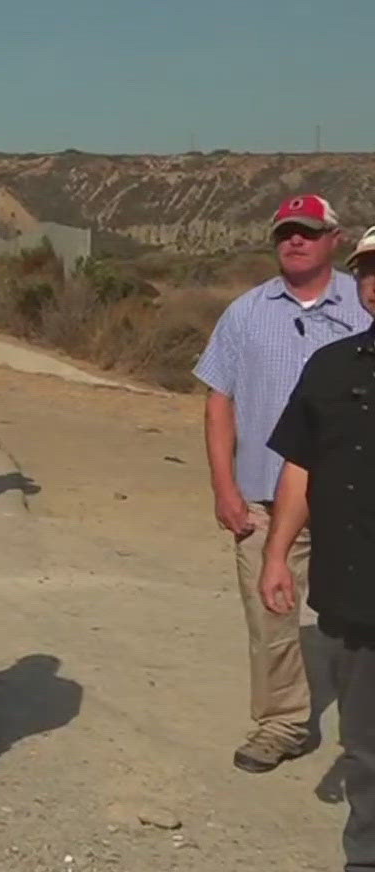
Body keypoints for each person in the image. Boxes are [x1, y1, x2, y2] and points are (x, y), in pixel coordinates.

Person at [195, 194, 369, 773]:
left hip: (356, 500)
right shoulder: (245, 313)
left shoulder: (367, 297)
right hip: (267, 494)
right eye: (285, 233)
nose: (295, 241)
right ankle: (282, 723)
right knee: (270, 616)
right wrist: (225, 487)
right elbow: (219, 401)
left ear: (334, 240)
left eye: (309, 232)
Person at [260, 224, 375, 872]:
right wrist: (278, 553)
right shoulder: (329, 368)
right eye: (367, 270)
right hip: (359, 593)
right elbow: (300, 467)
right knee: (365, 746)